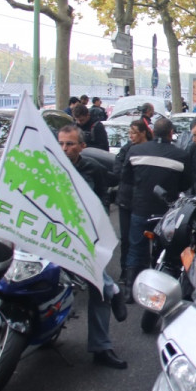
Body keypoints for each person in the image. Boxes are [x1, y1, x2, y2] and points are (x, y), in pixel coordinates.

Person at [57, 125, 128, 370]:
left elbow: (103, 198)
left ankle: (101, 347)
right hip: (52, 234)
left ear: (82, 146)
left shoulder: (93, 168)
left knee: (98, 289)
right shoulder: (48, 166)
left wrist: (99, 223)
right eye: (61, 144)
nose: (65, 149)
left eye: (70, 144)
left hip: (83, 237)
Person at [121, 117, 192, 285]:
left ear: (153, 132)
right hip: (166, 210)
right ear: (171, 133)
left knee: (136, 249)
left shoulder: (136, 151)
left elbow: (126, 178)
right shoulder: (181, 155)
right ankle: (160, 284)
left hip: (140, 207)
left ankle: (130, 287)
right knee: (166, 250)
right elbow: (187, 182)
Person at [113, 120, 149, 281]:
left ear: (142, 132)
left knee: (144, 238)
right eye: (129, 133)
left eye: (133, 133)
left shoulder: (150, 148)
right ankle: (126, 271)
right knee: (126, 238)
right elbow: (118, 171)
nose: (131, 136)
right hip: (127, 199)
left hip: (145, 201)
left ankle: (143, 269)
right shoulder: (126, 149)